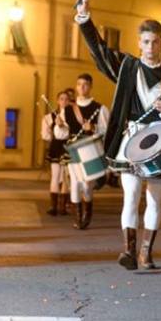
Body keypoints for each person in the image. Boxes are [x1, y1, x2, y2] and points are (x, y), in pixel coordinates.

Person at [76, 0, 161, 270]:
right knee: (131, 196)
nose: (150, 47)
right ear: (139, 43)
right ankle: (128, 251)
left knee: (154, 198)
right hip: (131, 140)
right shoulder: (128, 67)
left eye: (155, 41)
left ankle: (146, 252)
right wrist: (85, 19)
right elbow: (101, 51)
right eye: (146, 42)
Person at [59, 73, 110, 230]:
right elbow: (61, 133)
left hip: (91, 151)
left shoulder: (100, 108)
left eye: (85, 84)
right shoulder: (67, 109)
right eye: (79, 84)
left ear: (90, 86)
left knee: (87, 185)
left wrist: (93, 128)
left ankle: (88, 210)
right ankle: (79, 218)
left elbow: (107, 130)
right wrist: (59, 126)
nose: (82, 87)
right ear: (76, 86)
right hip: (73, 151)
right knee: (74, 184)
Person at [41, 90, 71, 216]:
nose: (64, 101)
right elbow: (45, 136)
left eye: (66, 99)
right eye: (61, 99)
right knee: (55, 175)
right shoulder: (49, 117)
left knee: (65, 177)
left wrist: (64, 126)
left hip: (68, 146)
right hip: (56, 146)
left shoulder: (72, 117)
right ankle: (53, 206)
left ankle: (62, 207)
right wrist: (52, 128)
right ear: (58, 101)